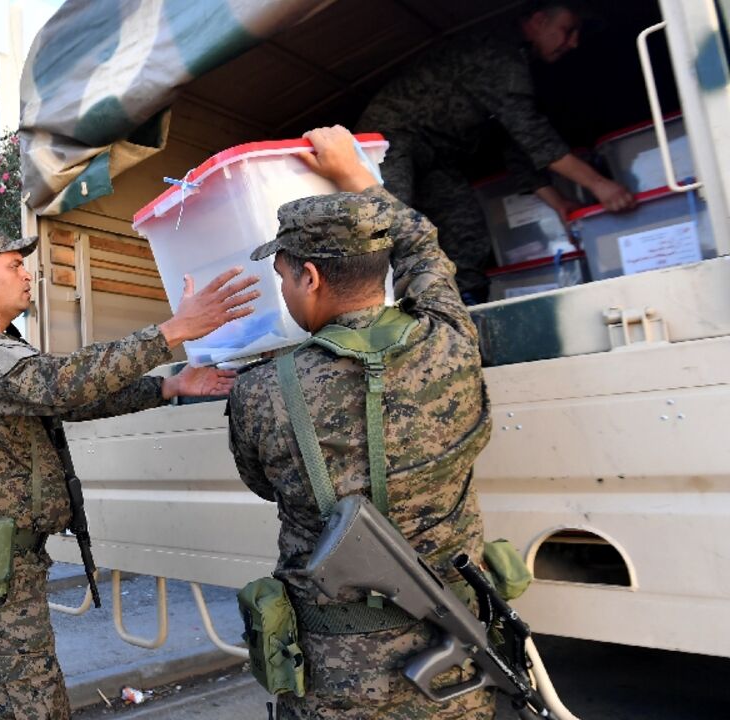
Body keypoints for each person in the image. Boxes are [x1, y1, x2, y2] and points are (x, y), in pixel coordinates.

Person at [0, 227, 259, 719]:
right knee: (30, 704)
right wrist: (171, 332)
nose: (27, 273)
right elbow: (58, 386)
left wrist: (168, 386)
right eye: (13, 265)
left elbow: (64, 400)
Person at [227, 126, 495, 718]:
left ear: (310, 277)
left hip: (337, 677)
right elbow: (422, 245)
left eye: (283, 277)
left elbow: (261, 482)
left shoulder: (262, 389)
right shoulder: (452, 339)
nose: (286, 291)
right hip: (453, 661)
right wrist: (355, 174)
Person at [357, 0, 635, 303]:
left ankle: (466, 310)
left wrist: (559, 204)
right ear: (539, 20)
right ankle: (375, 315)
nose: (574, 42)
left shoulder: (520, 60)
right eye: (567, 30)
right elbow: (532, 135)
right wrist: (600, 185)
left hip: (435, 155)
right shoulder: (500, 54)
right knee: (389, 227)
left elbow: (514, 143)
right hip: (390, 139)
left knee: (467, 231)